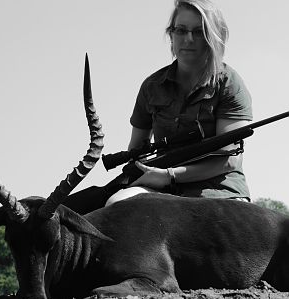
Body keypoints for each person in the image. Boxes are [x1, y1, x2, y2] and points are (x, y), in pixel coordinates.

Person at [105, 0, 252, 206]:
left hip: (219, 190)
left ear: (213, 38)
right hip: (160, 185)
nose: (188, 39)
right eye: (181, 30)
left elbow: (228, 159)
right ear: (171, 35)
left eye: (199, 32)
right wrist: (145, 173)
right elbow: (136, 150)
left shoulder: (229, 83)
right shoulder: (151, 86)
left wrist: (170, 175)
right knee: (116, 204)